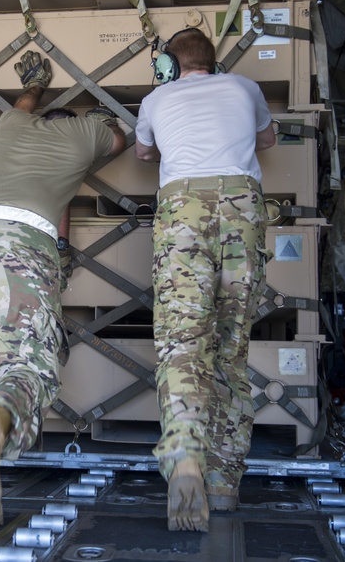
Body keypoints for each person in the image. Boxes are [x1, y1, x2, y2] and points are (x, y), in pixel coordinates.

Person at [0, 50, 126, 537]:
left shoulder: (11, 123)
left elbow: (26, 100)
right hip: (21, 240)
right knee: (26, 364)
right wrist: (102, 123)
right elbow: (120, 139)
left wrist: (35, 85)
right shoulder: (84, 134)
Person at [135, 27, 276, 532]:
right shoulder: (244, 88)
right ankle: (224, 483)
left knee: (183, 344)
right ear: (214, 63)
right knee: (231, 348)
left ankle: (185, 457)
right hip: (243, 208)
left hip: (182, 211)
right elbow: (268, 139)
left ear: (169, 65)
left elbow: (144, 155)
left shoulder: (155, 98)